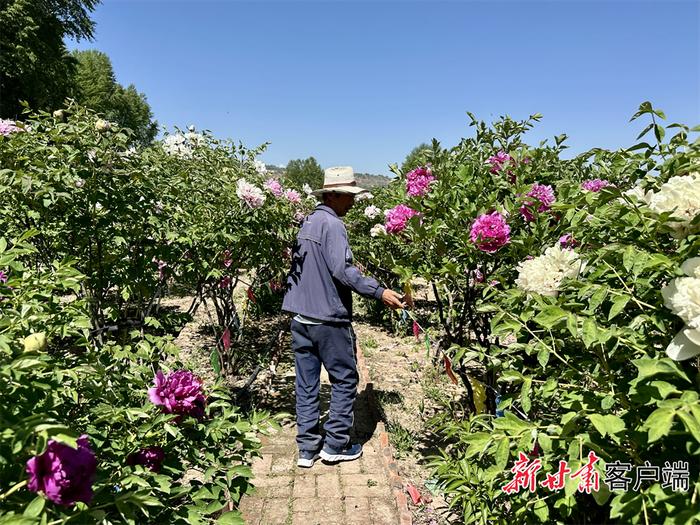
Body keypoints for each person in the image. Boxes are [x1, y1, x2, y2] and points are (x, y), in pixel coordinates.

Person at [281, 166, 405, 468]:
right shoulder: (333, 225)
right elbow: (342, 270)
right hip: (327, 319)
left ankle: (307, 449)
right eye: (349, 197)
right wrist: (379, 292)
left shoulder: (308, 221)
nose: (352, 203)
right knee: (344, 379)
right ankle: (335, 445)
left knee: (306, 383)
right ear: (334, 195)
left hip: (300, 316)